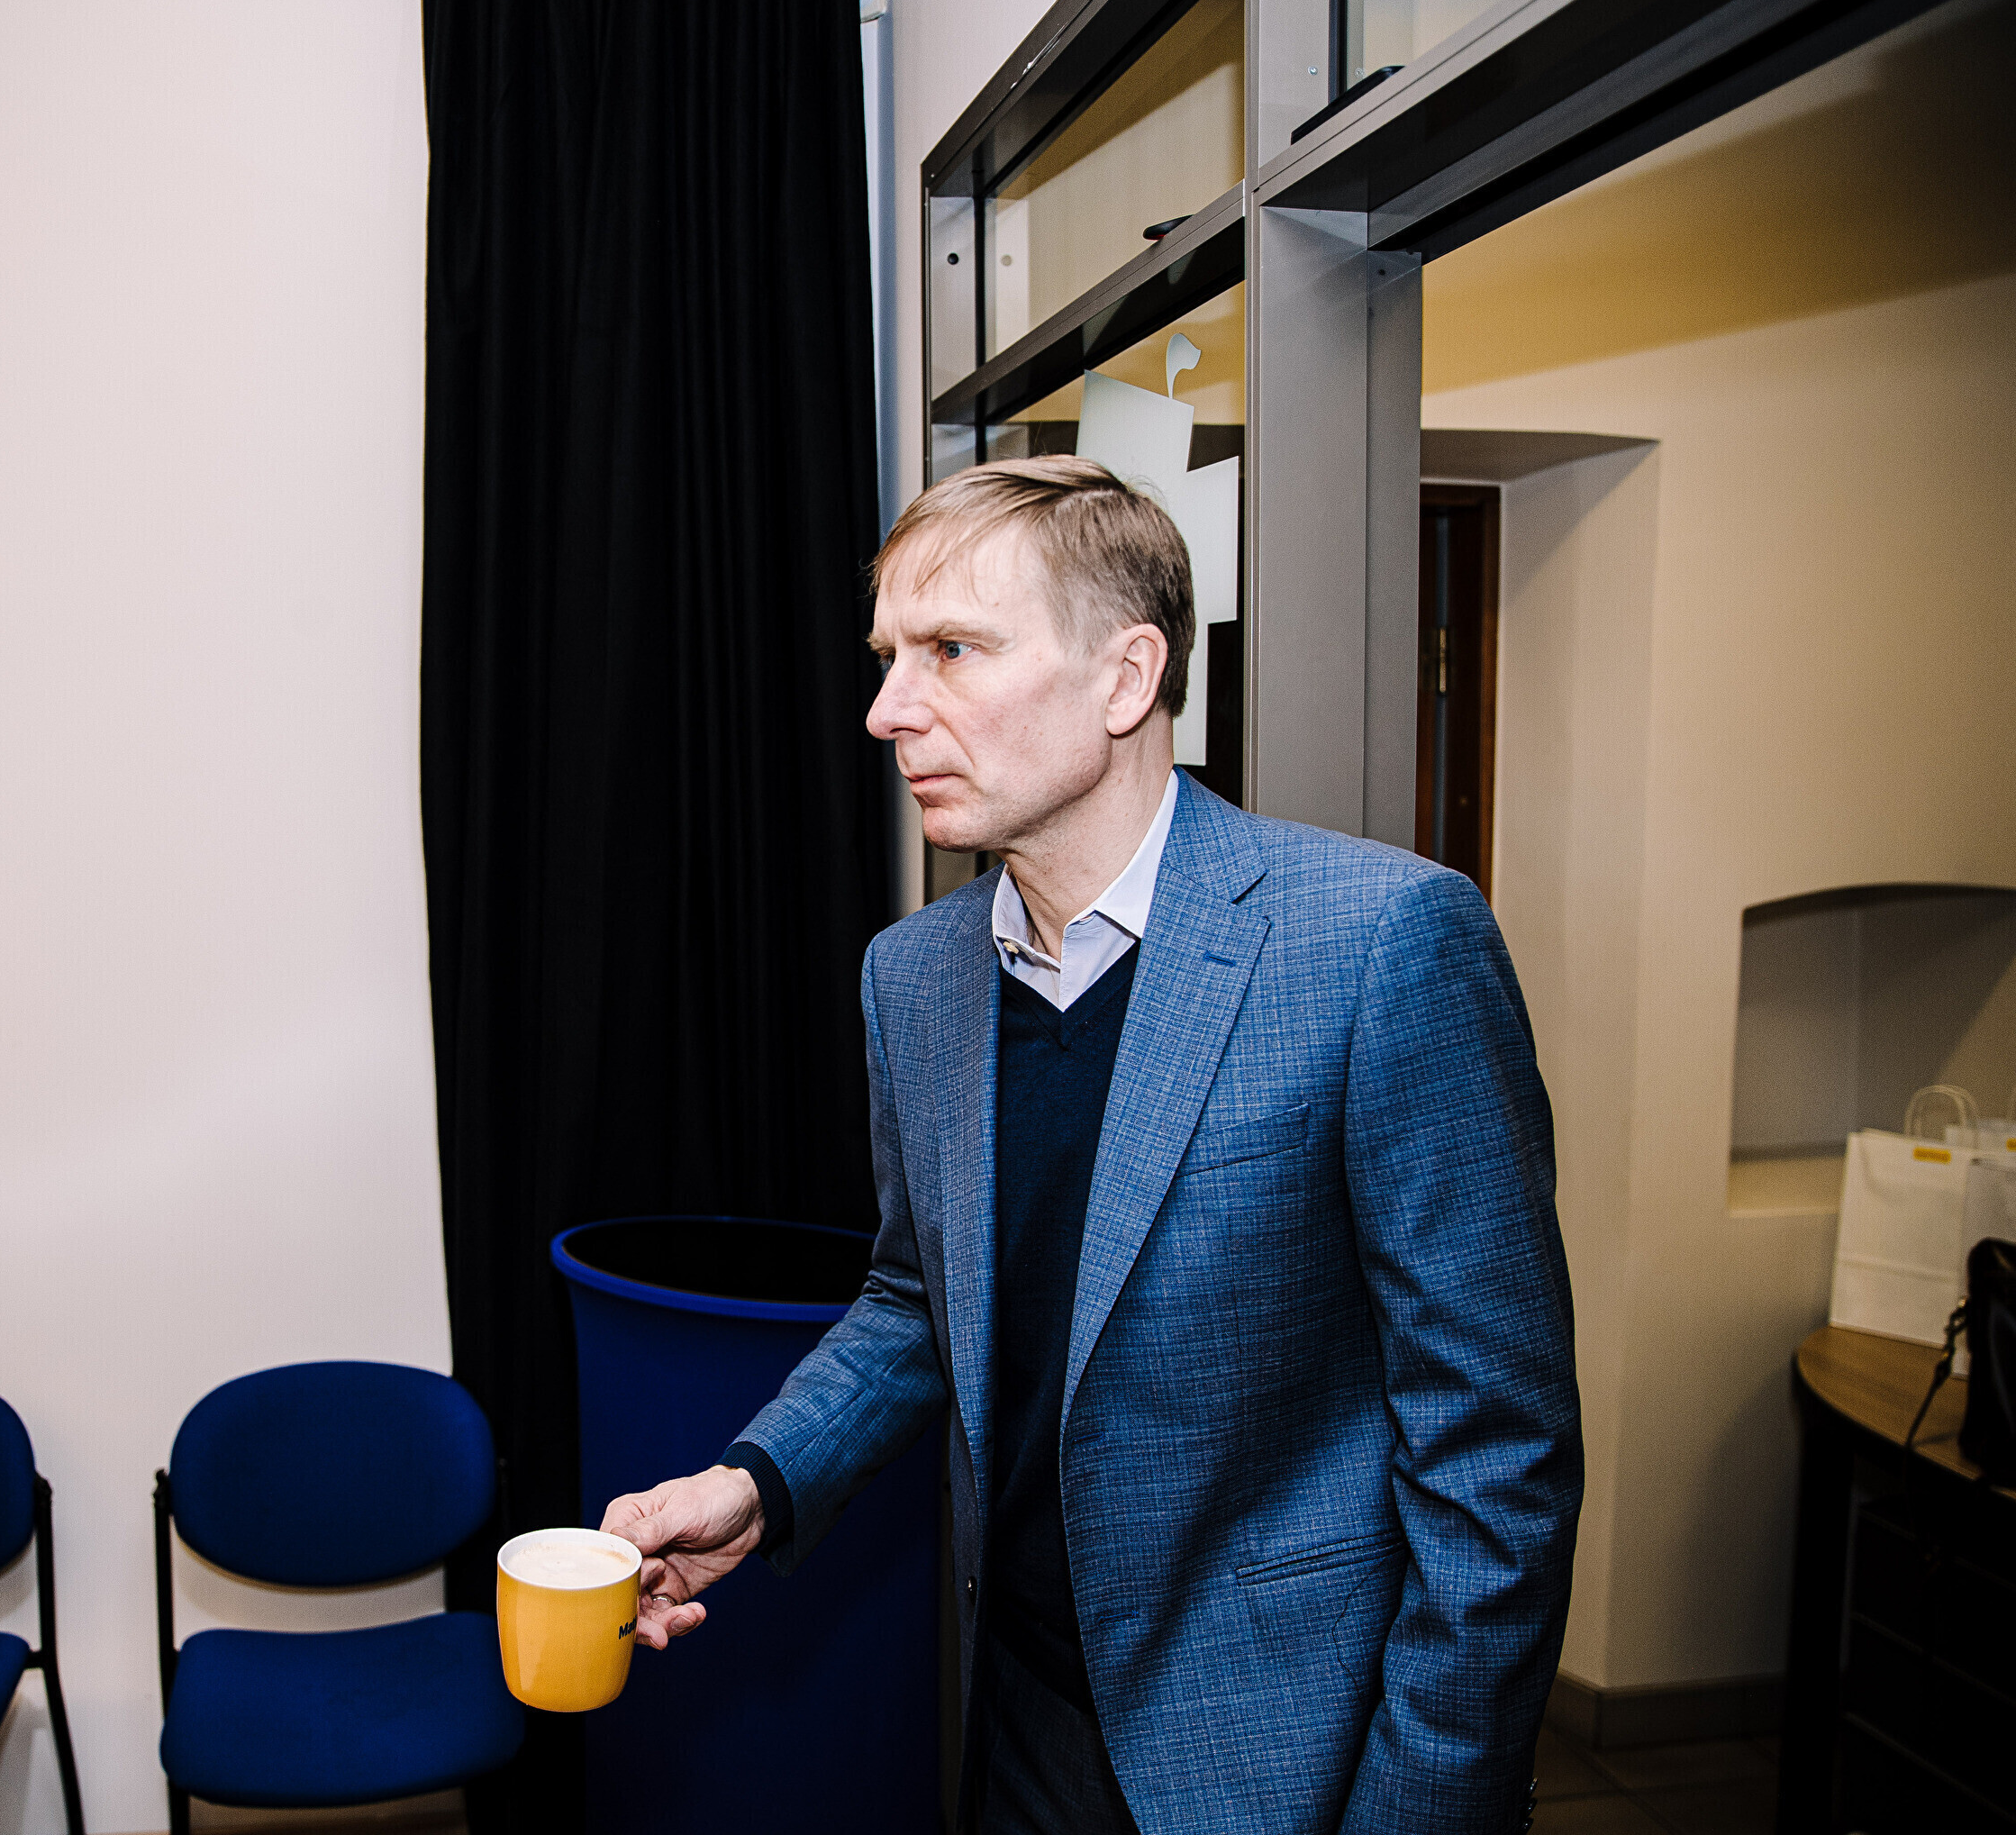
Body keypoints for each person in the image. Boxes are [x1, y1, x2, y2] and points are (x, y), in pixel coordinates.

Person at [602, 456, 1581, 1834]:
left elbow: (1496, 1456)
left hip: (1286, 1761)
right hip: (1011, 1721)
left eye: (953, 650)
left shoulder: (1377, 945)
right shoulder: (914, 977)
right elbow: (918, 1302)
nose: (888, 710)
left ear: (1128, 679)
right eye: (888, 657)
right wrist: (755, 1484)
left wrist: (1424, 1807)